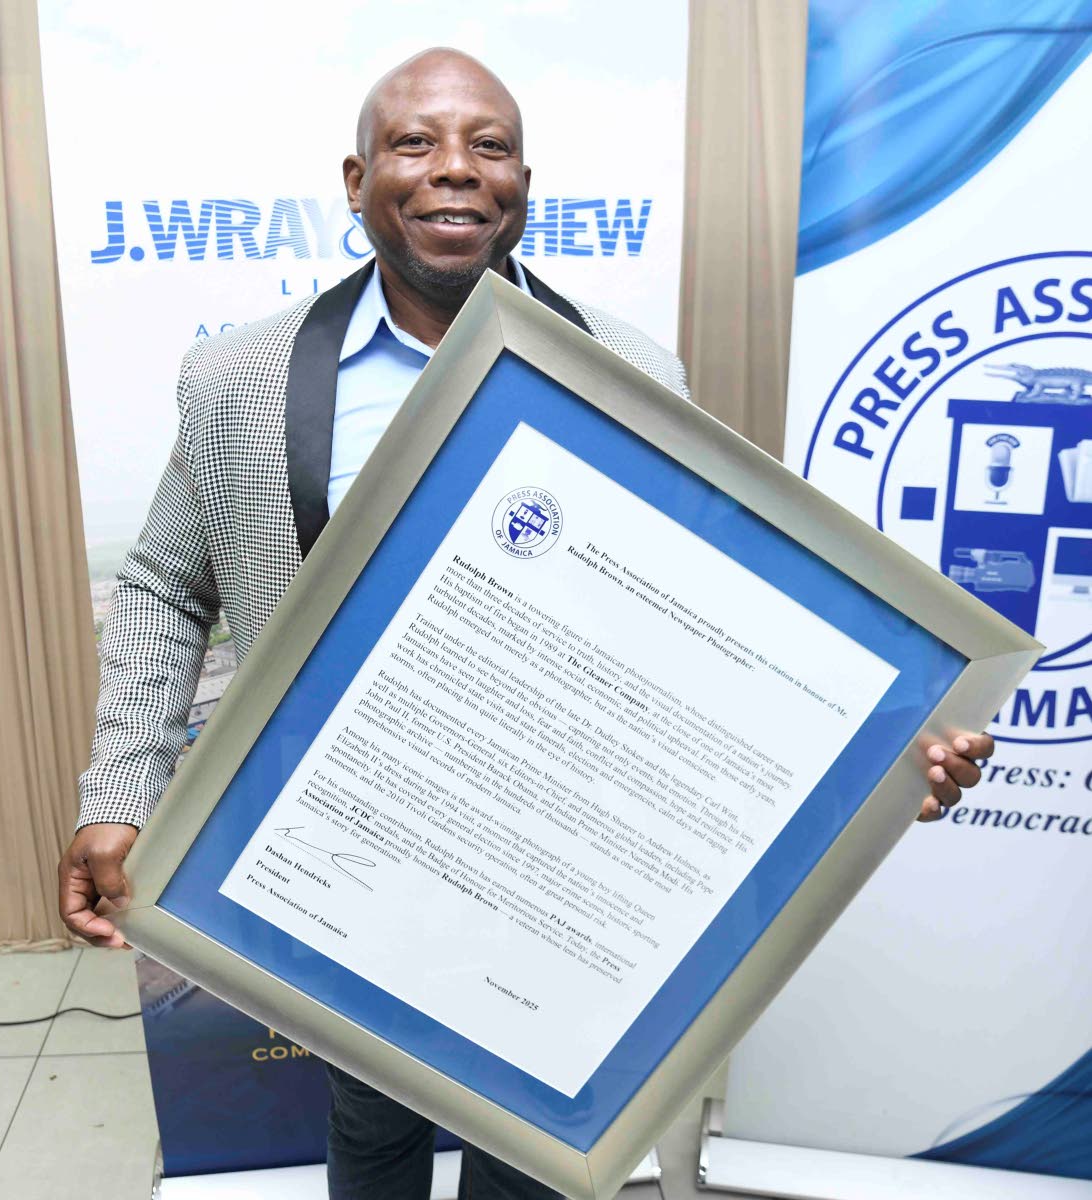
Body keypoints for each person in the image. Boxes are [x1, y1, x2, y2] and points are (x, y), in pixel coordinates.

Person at [58, 47, 994, 1200]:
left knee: (532, 1149)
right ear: (355, 182)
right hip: (340, 845)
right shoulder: (236, 380)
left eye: (489, 147)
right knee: (370, 1115)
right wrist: (119, 794)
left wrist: (886, 743)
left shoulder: (632, 370)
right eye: (415, 143)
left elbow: (721, 613)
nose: (456, 170)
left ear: (523, 185)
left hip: (553, 841)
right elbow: (164, 586)